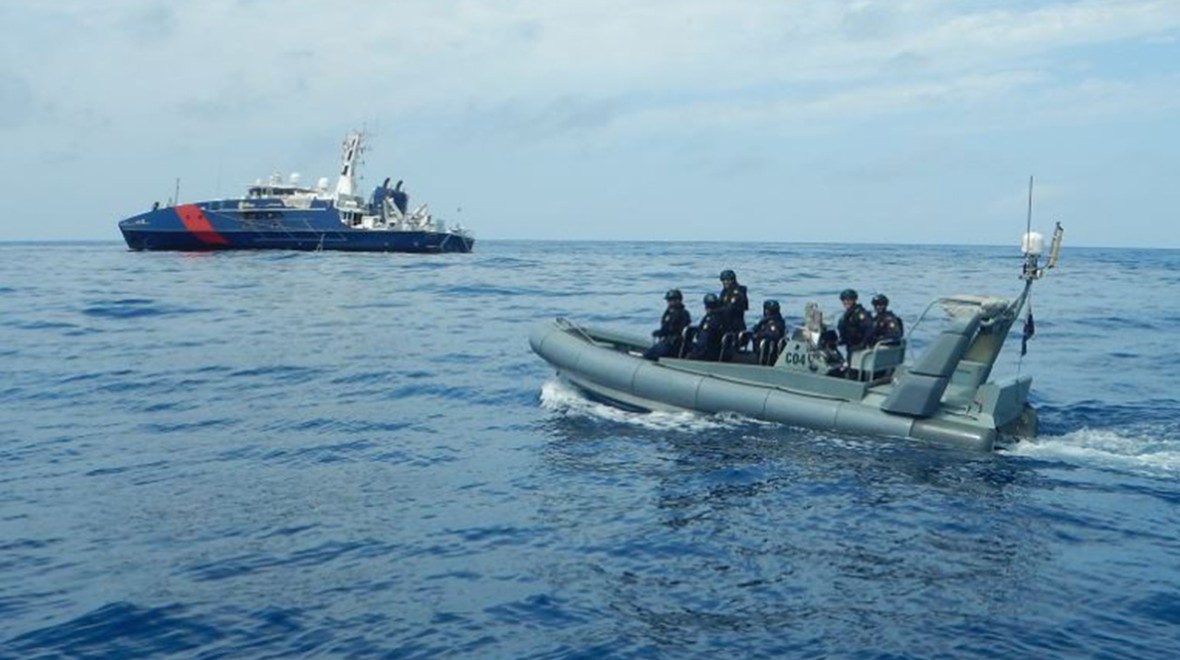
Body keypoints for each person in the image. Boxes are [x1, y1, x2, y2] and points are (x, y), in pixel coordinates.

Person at [643, 289, 693, 360]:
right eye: (668, 300)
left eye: (671, 300)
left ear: (678, 300)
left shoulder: (683, 314)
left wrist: (662, 332)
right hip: (666, 342)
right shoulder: (669, 313)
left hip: (672, 344)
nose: (669, 302)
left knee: (648, 354)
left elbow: (676, 330)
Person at [836, 288, 873, 361]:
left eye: (849, 300)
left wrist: (862, 344)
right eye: (844, 300)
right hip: (850, 345)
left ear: (854, 300)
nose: (846, 302)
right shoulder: (848, 314)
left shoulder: (860, 314)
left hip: (858, 347)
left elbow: (869, 330)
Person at [687, 293, 725, 361]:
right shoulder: (720, 317)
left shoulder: (712, 319)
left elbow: (705, 339)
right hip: (713, 347)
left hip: (709, 350)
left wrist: (695, 352)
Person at [717, 269, 749, 335]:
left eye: (728, 280)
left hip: (735, 326)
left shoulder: (738, 293)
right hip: (725, 324)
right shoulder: (725, 291)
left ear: (733, 280)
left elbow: (730, 309)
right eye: (723, 280)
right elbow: (719, 304)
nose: (725, 282)